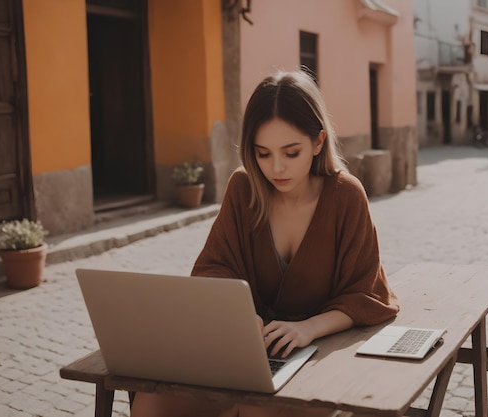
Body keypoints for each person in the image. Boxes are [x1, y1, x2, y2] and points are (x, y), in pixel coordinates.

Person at [130, 70, 400, 417]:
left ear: (318, 142)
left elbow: (367, 293)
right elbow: (214, 267)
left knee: (258, 411)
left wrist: (308, 328)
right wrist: (241, 316)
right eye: (262, 153)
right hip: (248, 354)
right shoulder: (243, 188)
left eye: (291, 152)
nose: (276, 168)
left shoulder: (346, 195)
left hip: (320, 356)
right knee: (149, 403)